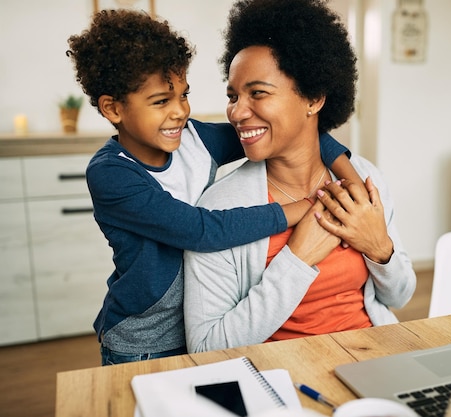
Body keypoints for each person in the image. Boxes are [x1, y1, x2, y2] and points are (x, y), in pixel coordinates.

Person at [65, 8, 362, 365]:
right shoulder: (112, 174)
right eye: (161, 101)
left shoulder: (194, 140)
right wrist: (308, 206)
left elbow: (292, 133)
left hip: (203, 325)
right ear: (113, 109)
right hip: (144, 342)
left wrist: (349, 177)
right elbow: (200, 230)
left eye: (183, 95)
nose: (180, 112)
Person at [184, 0, 416, 352]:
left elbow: (399, 296)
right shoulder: (220, 210)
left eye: (257, 93)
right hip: (285, 377)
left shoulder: (363, 181)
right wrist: (296, 259)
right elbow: (205, 348)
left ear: (314, 98)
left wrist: (378, 248)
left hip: (374, 356)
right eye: (232, 96)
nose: (236, 112)